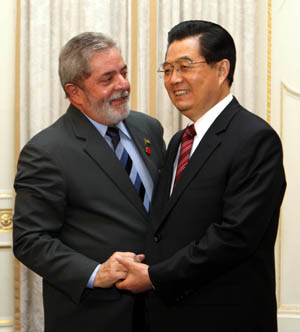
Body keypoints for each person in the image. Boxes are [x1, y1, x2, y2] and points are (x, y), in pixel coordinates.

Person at [115, 20, 286, 332]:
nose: (173, 79)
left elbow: (234, 237)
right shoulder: (180, 140)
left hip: (226, 316)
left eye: (184, 66)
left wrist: (154, 277)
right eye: (167, 69)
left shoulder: (255, 139)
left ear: (221, 70)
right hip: (169, 314)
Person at [13, 32, 165, 332]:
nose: (123, 85)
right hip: (97, 315)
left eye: (123, 72)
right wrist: (97, 272)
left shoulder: (148, 127)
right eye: (107, 78)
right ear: (75, 92)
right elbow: (30, 240)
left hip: (160, 306)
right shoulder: (46, 151)